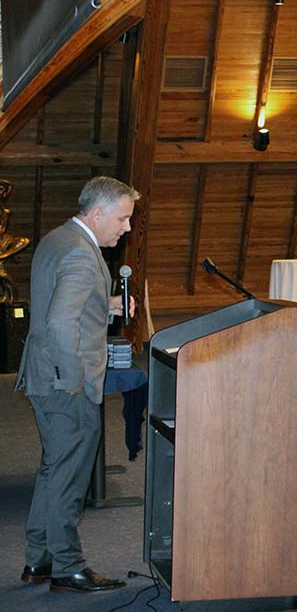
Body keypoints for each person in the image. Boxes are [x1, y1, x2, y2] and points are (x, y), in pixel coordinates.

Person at [16, 176, 138, 593]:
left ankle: (39, 559)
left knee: (55, 470)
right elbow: (60, 322)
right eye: (122, 218)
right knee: (69, 477)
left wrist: (108, 305)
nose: (125, 228)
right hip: (64, 383)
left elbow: (59, 300)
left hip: (42, 374)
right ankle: (69, 568)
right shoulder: (83, 256)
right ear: (98, 213)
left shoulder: (58, 239)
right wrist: (74, 382)